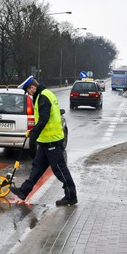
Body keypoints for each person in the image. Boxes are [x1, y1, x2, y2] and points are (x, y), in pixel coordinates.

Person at [10, 75, 78, 206]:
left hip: (52, 141)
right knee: (37, 168)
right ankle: (24, 191)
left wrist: (33, 136)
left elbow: (44, 119)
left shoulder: (43, 97)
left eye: (29, 91)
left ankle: (71, 196)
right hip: (46, 141)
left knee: (60, 170)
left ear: (33, 87)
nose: (29, 94)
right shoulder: (46, 94)